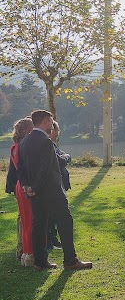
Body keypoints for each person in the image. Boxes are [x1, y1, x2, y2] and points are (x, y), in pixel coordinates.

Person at [17, 110, 91, 271]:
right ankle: (71, 260)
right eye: (50, 122)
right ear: (44, 122)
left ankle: (40, 262)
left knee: (39, 225)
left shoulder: (24, 142)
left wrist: (27, 186)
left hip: (34, 192)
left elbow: (20, 168)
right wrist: (35, 187)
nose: (52, 125)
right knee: (65, 221)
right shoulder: (46, 141)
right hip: (51, 191)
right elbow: (46, 168)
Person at [7, 118, 34, 266]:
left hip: (19, 184)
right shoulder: (23, 147)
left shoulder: (14, 146)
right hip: (25, 185)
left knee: (24, 219)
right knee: (29, 220)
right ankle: (29, 253)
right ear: (26, 130)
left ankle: (24, 252)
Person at [45, 120, 71, 249]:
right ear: (52, 130)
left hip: (59, 183)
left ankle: (53, 239)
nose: (58, 133)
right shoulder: (48, 145)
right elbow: (60, 160)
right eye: (57, 130)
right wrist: (67, 156)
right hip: (54, 185)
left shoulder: (53, 145)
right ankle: (50, 240)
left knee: (54, 216)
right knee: (52, 215)